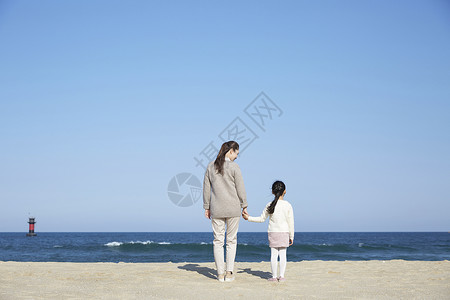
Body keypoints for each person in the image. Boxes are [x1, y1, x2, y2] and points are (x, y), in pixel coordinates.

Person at [203, 141, 248, 282]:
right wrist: (244, 204)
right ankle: (229, 272)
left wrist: (206, 207)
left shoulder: (211, 166)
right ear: (230, 151)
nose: (236, 157)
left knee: (217, 241)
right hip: (233, 208)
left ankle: (220, 273)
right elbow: (240, 187)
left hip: (216, 208)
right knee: (231, 241)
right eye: (236, 153)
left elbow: (206, 188)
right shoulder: (234, 167)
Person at [242, 180, 294, 282]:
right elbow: (291, 222)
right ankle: (281, 276)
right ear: (285, 191)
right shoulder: (288, 205)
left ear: (272, 192)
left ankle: (274, 277)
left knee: (274, 255)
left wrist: (248, 218)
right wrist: (291, 236)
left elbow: (261, 219)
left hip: (273, 233)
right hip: (284, 232)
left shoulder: (270, 204)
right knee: (283, 255)